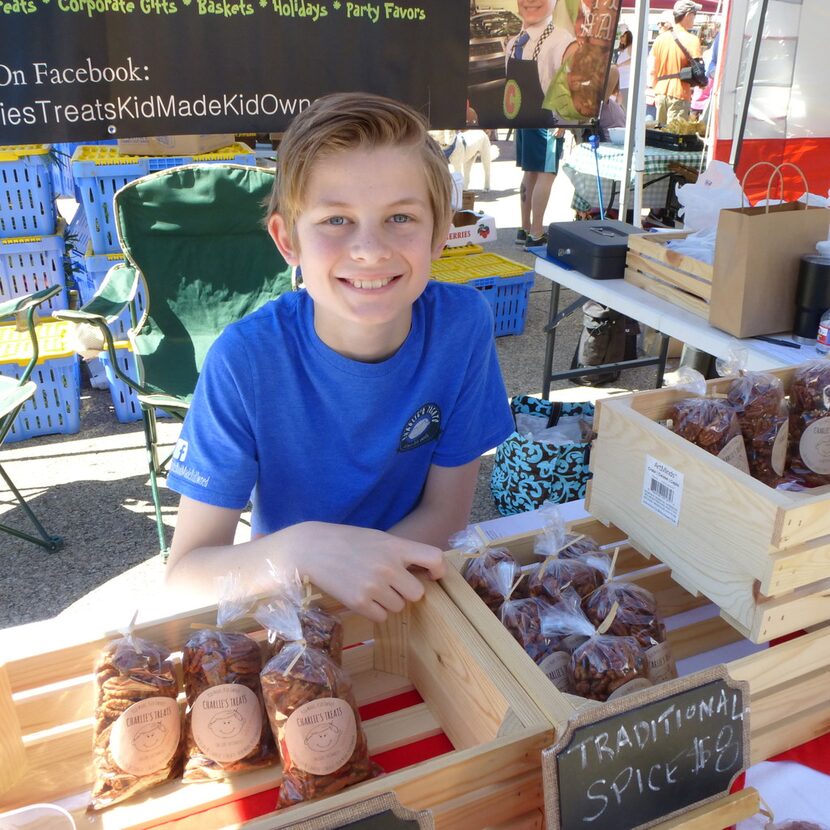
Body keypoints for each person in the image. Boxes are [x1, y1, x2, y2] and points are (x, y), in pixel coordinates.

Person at [164, 92, 515, 622]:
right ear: (288, 240)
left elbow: (446, 512)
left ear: (441, 232)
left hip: (410, 595)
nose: (370, 249)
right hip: (290, 611)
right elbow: (185, 574)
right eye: (335, 220)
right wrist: (300, 550)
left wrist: (366, 574)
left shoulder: (463, 325)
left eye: (400, 217)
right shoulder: (244, 361)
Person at [506, 0, 577, 250]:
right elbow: (568, 85)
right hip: (547, 116)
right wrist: (565, 120)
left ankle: (523, 228)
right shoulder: (562, 40)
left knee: (529, 172)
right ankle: (536, 233)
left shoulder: (514, 42)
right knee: (546, 173)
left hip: (521, 115)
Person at [649, 0, 703, 124]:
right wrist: (702, 83)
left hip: (660, 92)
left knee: (660, 133)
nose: (695, 17)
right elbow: (699, 70)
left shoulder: (660, 39)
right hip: (680, 92)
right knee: (673, 136)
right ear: (688, 14)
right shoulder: (692, 40)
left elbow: (652, 70)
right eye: (694, 14)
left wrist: (656, 90)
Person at [615, 30, 633, 111]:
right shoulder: (622, 51)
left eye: (623, 36)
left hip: (626, 84)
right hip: (621, 84)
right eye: (621, 36)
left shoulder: (630, 47)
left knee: (626, 109)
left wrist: (620, 65)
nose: (621, 38)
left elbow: (633, 60)